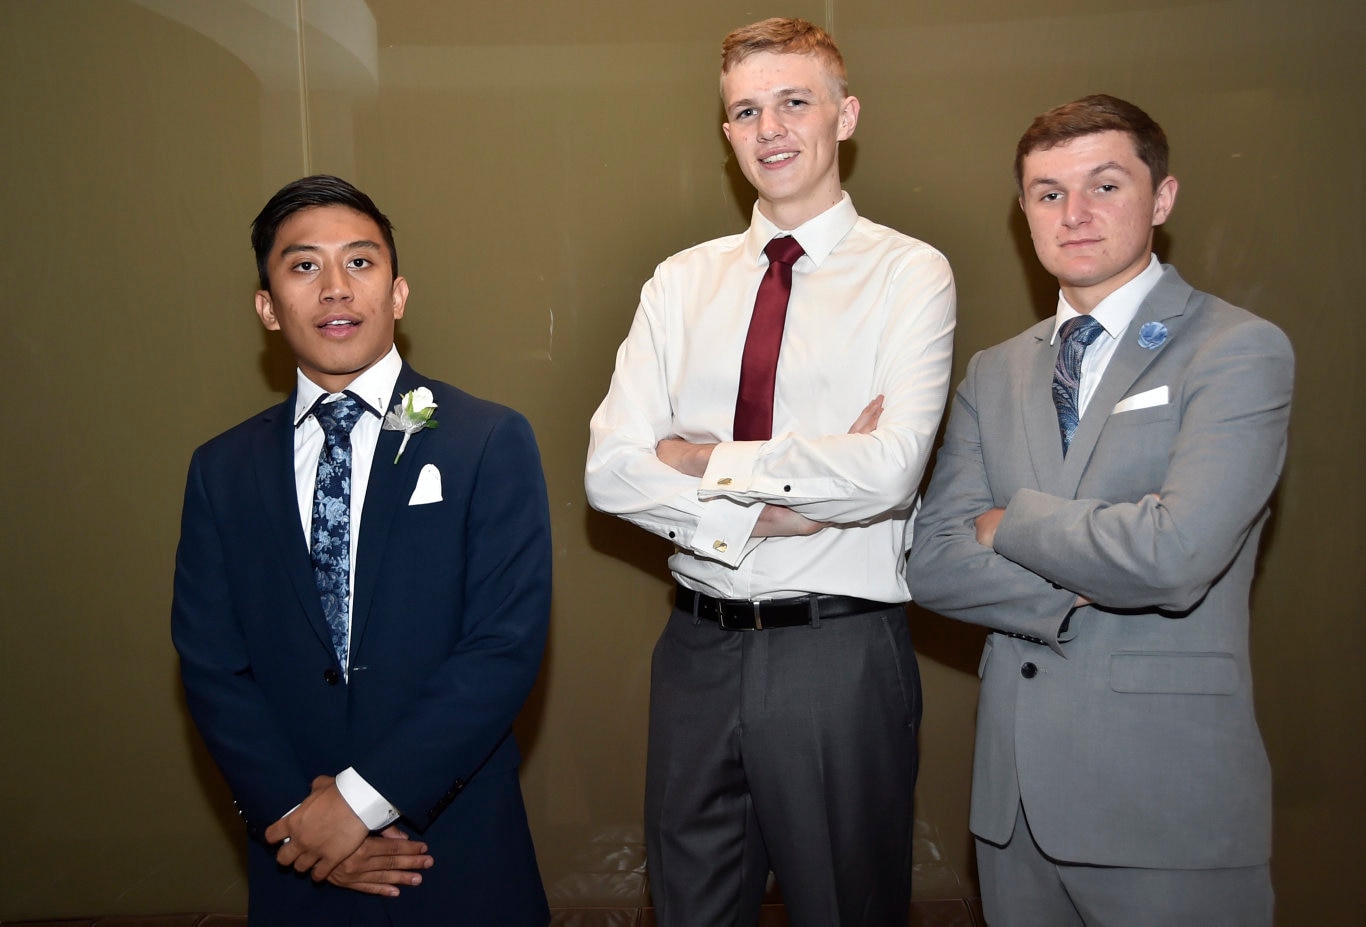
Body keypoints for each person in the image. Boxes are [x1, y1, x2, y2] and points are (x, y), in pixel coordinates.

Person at [585, 18, 955, 926]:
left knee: (844, 906)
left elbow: (889, 470)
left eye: (795, 101)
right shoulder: (680, 283)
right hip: (696, 650)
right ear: (726, 134)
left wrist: (703, 460)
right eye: (746, 110)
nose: (771, 128)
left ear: (846, 114)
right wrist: (759, 511)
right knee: (689, 909)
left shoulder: (910, 274)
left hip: (837, 650)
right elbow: (609, 471)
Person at [906, 95, 1293, 926]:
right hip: (1013, 817)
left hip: (1167, 808)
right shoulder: (995, 371)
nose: (1074, 214)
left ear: (1161, 198)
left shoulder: (1237, 350)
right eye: (1048, 193)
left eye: (1105, 186)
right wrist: (1077, 582)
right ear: (1025, 213)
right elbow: (933, 557)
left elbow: (1174, 553)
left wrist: (1009, 523)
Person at [172, 175, 552, 925]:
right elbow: (212, 663)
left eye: (361, 263)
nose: (336, 288)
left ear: (399, 292)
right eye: (304, 266)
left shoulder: (484, 439)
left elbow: (502, 646)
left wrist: (357, 803)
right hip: (299, 862)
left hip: (452, 855)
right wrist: (301, 816)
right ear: (267, 306)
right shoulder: (222, 469)